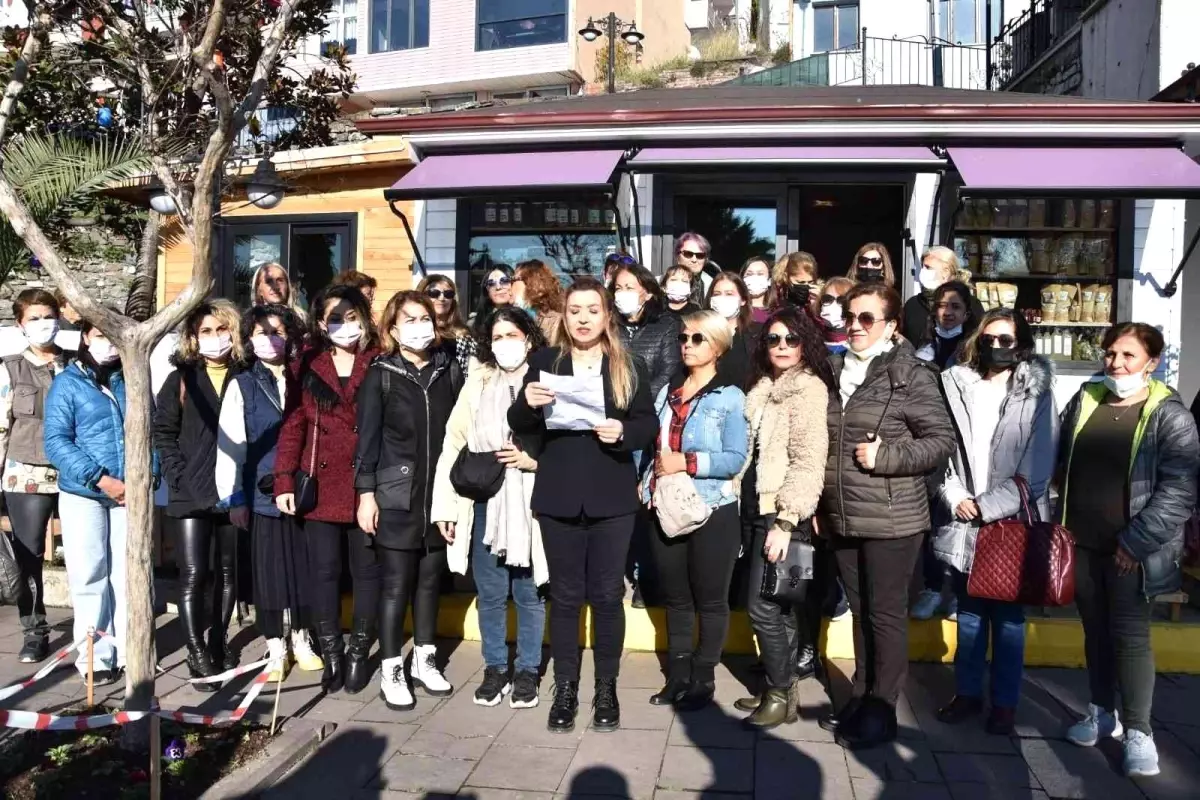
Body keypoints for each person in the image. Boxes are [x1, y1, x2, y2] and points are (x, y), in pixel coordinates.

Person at [509, 277, 658, 734]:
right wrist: (527, 404)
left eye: (593, 309)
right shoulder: (544, 361)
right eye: (575, 310)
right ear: (565, 314)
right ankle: (567, 688)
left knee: (608, 597)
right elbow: (520, 427)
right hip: (558, 494)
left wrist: (624, 433)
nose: (583, 318)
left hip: (611, 494)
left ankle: (607, 688)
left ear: (606, 314)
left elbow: (647, 423)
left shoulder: (626, 363)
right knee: (567, 597)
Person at [1057, 322, 1200, 777]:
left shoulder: (1170, 415)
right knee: (1095, 631)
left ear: (1151, 363)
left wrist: (1136, 542)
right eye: (1110, 354)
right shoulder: (1086, 399)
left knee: (1131, 637)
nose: (1115, 364)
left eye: (1128, 357)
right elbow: (1063, 460)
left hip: (1131, 548)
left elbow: (1179, 489)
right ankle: (1102, 712)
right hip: (1081, 541)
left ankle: (1140, 731)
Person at [819, 282, 956, 749]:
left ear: (891, 326)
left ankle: (882, 707)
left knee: (885, 614)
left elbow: (939, 442)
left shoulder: (912, 375)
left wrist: (888, 457)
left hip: (893, 517)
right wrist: (820, 505)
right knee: (860, 612)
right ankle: (860, 694)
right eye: (850, 317)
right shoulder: (832, 368)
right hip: (841, 514)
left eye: (866, 319)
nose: (854, 326)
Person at [932, 310, 1058, 735]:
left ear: (1021, 345)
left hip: (1012, 520)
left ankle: (1004, 703)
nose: (996, 347)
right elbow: (942, 450)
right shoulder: (956, 385)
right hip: (964, 515)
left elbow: (1037, 471)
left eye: (1006, 340)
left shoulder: (1037, 395)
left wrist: (986, 506)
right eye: (989, 338)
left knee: (1007, 620)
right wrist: (954, 497)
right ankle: (967, 694)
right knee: (968, 614)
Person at [432, 307, 547, 710]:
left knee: (529, 593)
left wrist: (533, 461)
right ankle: (496, 667)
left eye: (512, 335)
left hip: (530, 503)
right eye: (497, 337)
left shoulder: (546, 379)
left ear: (529, 339)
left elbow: (565, 442)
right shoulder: (478, 382)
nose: (505, 344)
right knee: (492, 592)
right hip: (483, 500)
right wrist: (444, 507)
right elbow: (453, 441)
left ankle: (529, 671)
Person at [356, 291, 463, 710]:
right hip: (395, 494)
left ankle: (425, 657)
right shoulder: (381, 375)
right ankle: (391, 667)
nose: (420, 326)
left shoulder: (447, 370)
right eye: (410, 320)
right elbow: (366, 442)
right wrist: (366, 495)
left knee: (430, 581)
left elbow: (459, 434)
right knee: (396, 586)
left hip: (438, 494)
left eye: (425, 318)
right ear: (394, 330)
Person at [274, 284, 381, 695]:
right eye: (335, 318)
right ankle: (332, 651)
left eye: (351, 317)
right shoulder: (307, 364)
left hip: (365, 482)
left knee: (366, 572)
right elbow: (293, 424)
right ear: (321, 323)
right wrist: (284, 478)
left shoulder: (378, 361)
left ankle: (357, 651)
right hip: (319, 483)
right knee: (323, 573)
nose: (344, 326)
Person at [642, 310, 748, 712]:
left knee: (711, 599)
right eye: (684, 338)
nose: (687, 344)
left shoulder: (730, 397)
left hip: (711, 507)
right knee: (677, 598)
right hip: (666, 506)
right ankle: (678, 676)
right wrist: (646, 484)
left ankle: (703, 677)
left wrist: (687, 462)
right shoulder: (668, 392)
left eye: (697, 338)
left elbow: (734, 458)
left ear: (717, 346)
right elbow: (654, 449)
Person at [216, 304, 323, 682]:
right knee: (270, 572)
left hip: (306, 490)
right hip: (262, 493)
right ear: (248, 338)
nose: (270, 338)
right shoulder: (243, 383)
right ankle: (276, 644)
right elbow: (231, 445)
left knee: (304, 569)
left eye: (277, 331)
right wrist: (235, 498)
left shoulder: (308, 377)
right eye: (261, 332)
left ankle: (303, 638)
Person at [734, 307, 830, 728]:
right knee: (780, 604)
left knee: (761, 606)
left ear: (805, 343)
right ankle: (783, 693)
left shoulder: (807, 390)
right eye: (774, 339)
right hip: (755, 507)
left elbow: (810, 461)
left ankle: (778, 691)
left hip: (782, 512)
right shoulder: (763, 388)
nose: (782, 346)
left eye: (791, 339)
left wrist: (788, 520)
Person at [154, 300, 246, 689]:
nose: (214, 338)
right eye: (206, 331)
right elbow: (163, 432)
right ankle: (195, 650)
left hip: (234, 491)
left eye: (221, 329)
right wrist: (177, 475)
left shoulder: (247, 374)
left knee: (229, 573)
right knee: (193, 573)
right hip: (189, 491)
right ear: (193, 337)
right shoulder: (180, 379)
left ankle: (218, 640)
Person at [44, 319, 129, 686]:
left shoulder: (130, 378)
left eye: (115, 338)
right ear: (84, 338)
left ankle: (130, 650)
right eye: (100, 337)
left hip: (130, 492)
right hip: (86, 493)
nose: (108, 345)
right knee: (90, 574)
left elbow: (150, 428)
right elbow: (57, 442)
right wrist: (100, 478)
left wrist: (147, 475)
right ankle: (96, 656)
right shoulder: (68, 383)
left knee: (129, 575)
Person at [0, 290, 68, 662]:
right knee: (29, 555)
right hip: (25, 472)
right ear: (21, 325)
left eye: (49, 315)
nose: (44, 323)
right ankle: (34, 629)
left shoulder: (76, 364)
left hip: (74, 471)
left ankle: (98, 628)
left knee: (88, 552)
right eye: (35, 318)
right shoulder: (9, 368)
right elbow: (1, 426)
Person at [610, 262, 682, 400]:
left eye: (629, 288)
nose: (623, 293)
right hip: (611, 403)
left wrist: (640, 399)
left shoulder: (667, 324)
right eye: (618, 288)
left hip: (649, 406)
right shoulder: (608, 324)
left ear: (648, 294)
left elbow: (669, 371)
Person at [904, 247, 983, 350]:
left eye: (928, 267)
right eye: (922, 267)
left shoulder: (971, 304)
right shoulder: (913, 304)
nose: (923, 271)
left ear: (946, 272)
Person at [706, 272, 758, 389]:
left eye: (729, 294)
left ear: (743, 300)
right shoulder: (699, 333)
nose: (722, 298)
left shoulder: (756, 334)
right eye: (717, 294)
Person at [913, 281, 977, 372]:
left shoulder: (974, 351)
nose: (947, 312)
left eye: (955, 307)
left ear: (966, 314)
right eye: (942, 306)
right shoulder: (924, 346)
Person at [417, 274, 475, 373]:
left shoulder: (464, 334)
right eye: (434, 293)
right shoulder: (414, 332)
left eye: (448, 294)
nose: (442, 298)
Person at [513, 259, 565, 344]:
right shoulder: (515, 318)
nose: (511, 285)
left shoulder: (557, 323)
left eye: (514, 280)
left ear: (531, 282)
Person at [675, 232, 720, 305]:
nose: (694, 260)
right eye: (688, 254)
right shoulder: (659, 283)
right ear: (677, 256)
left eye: (700, 255)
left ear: (706, 260)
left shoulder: (714, 286)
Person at [471, 265, 515, 335]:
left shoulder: (527, 317)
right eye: (491, 283)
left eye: (504, 281)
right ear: (487, 291)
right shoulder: (474, 323)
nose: (498, 287)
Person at [818, 277, 855, 355]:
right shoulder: (813, 344)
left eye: (841, 301)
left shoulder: (857, 346)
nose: (833, 305)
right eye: (827, 299)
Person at [741, 257, 776, 324]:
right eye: (749, 274)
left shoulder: (777, 313)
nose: (754, 277)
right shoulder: (736, 311)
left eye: (760, 274)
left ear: (769, 281)